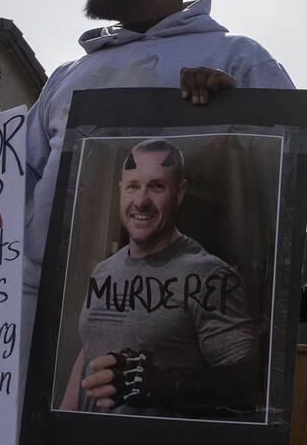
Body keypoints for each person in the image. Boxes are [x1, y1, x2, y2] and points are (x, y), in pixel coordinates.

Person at [0, 0, 307, 445]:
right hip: (33, 302)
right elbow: (12, 179)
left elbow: (299, 168)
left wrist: (233, 114)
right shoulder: (70, 72)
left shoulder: (235, 57)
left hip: (154, 305)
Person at [63, 139, 258, 416]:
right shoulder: (104, 271)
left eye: (156, 186)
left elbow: (245, 383)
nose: (141, 201)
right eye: (133, 186)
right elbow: (90, 351)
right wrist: (63, 420)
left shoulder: (209, 275)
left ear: (179, 193)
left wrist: (166, 383)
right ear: (121, 191)